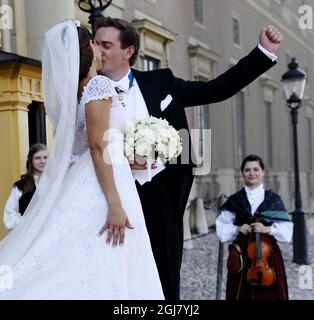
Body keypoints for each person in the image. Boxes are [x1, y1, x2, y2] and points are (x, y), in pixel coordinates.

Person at [94, 17, 283, 299]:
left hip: (161, 196)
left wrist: (262, 52)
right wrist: (123, 159)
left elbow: (216, 89)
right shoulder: (91, 92)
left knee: (166, 274)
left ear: (129, 50)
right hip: (113, 199)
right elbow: (91, 147)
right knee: (119, 274)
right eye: (95, 44)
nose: (99, 51)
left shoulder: (162, 81)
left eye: (106, 44)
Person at [0, 21, 163, 299]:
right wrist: (114, 204)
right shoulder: (98, 85)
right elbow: (99, 148)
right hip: (105, 187)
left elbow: (97, 143)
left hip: (94, 177)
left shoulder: (76, 93)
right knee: (108, 258)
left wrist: (130, 155)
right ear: (87, 48)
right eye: (96, 43)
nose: (100, 48)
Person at [216, 154, 293, 300]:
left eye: (256, 169)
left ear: (263, 171)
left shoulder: (273, 200)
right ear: (242, 173)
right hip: (243, 255)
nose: (252, 173)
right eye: (247, 170)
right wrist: (236, 229)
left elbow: (287, 232)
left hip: (268, 255)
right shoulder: (235, 200)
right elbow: (221, 230)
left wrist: (269, 229)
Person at [3, 144, 48, 230]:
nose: (42, 161)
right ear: (31, 160)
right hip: (29, 235)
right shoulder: (20, 186)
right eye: (38, 158)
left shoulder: (54, 182)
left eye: (45, 157)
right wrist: (27, 224)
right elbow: (9, 215)